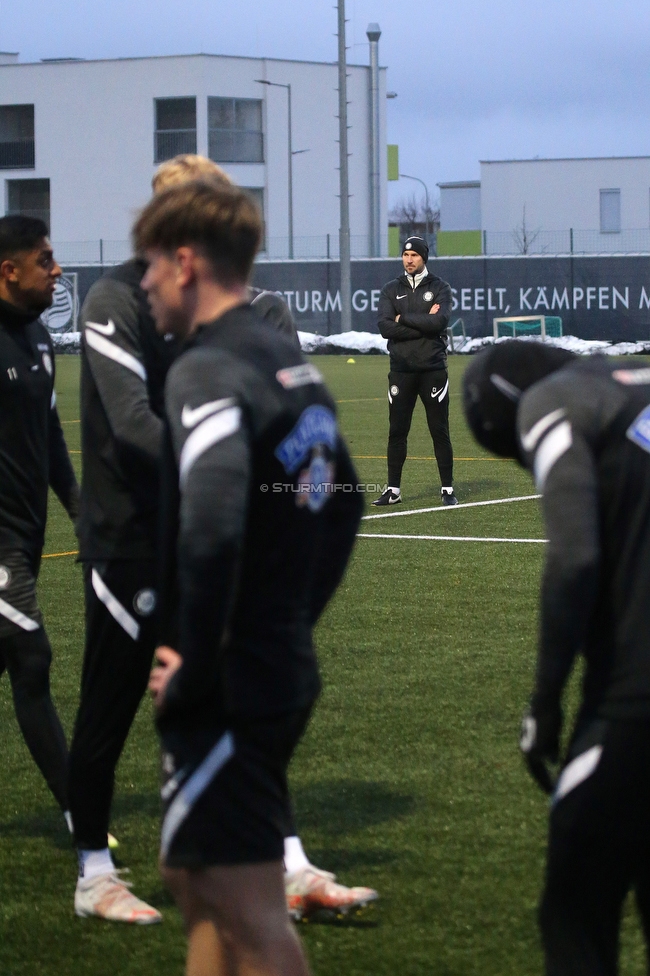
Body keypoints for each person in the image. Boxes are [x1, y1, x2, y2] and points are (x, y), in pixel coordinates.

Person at [70, 153, 376, 923]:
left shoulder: (251, 320)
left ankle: (286, 858)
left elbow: (323, 471)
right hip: (132, 538)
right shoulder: (116, 298)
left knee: (227, 712)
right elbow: (137, 427)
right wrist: (231, 466)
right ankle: (94, 871)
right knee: (111, 706)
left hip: (211, 536)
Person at [135, 178, 363, 976]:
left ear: (187, 262)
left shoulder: (204, 369)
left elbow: (212, 523)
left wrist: (195, 661)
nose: (145, 283)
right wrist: (290, 619)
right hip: (273, 665)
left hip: (232, 680)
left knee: (249, 912)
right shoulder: (283, 359)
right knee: (199, 882)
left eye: (151, 265)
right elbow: (347, 503)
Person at [462, 340, 650, 976]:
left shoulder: (552, 403)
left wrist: (545, 703)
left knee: (574, 911)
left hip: (635, 700)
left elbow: (575, 557)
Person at [0, 216, 78, 831]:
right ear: (10, 271)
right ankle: (82, 808)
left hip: (27, 538)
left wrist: (81, 513)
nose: (56, 271)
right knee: (32, 657)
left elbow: (50, 439)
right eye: (45, 260)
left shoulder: (40, 340)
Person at [373, 235, 457, 506]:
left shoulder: (440, 287)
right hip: (401, 371)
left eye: (414, 256)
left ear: (424, 258)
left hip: (432, 369)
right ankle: (393, 491)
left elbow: (440, 321)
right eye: (405, 255)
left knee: (439, 430)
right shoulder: (390, 289)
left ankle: (447, 490)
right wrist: (424, 322)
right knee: (397, 431)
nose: (409, 260)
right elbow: (385, 326)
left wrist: (404, 318)